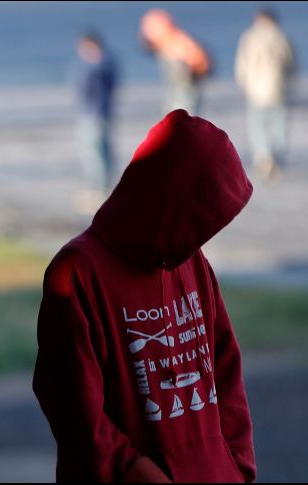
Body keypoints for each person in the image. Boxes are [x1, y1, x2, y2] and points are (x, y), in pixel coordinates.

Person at [33, 109, 257, 482]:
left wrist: (238, 465)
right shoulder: (78, 271)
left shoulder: (192, 261)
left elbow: (225, 366)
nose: (203, 235)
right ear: (172, 198)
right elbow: (73, 409)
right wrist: (139, 473)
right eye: (201, 218)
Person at [235, 6, 296, 181]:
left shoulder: (249, 37)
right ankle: (276, 159)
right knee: (279, 124)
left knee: (258, 124)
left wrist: (244, 84)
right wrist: (290, 84)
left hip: (256, 89)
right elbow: (291, 64)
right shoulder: (282, 37)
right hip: (278, 89)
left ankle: (263, 156)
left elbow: (242, 65)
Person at [69, 29, 119, 211]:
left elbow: (93, 90)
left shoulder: (100, 65)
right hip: (89, 114)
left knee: (95, 154)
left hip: (95, 115)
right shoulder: (91, 64)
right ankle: (98, 189)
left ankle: (99, 190)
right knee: (92, 152)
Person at [140, 8, 211, 116]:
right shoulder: (169, 44)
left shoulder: (177, 45)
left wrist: (193, 76)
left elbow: (199, 63)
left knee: (184, 113)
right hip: (180, 90)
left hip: (185, 90)